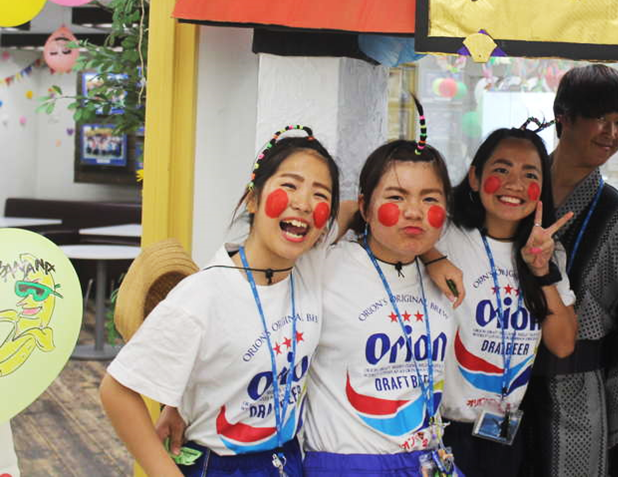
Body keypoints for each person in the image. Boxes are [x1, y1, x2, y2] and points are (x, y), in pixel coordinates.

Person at [100, 125, 341, 476]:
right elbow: (116, 390)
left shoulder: (309, 270)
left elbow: (358, 210)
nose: (304, 204)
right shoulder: (202, 295)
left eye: (320, 194)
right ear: (253, 199)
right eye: (289, 185)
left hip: (287, 460)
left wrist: (433, 258)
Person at [301, 139, 463, 476]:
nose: (414, 211)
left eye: (430, 198)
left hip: (428, 460)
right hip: (347, 465)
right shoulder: (324, 267)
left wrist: (433, 256)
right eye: (396, 197)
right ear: (364, 206)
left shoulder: (444, 277)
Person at [523, 64, 618, 477]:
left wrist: (614, 411)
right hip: (500, 382)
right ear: (563, 115)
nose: (612, 133)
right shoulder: (516, 193)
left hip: (579, 391)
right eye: (601, 118)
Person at [434, 125, 577, 475]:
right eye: (501, 170)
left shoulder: (548, 251)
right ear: (474, 177)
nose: (515, 184)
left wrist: (542, 271)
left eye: (529, 174)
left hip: (504, 431)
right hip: (443, 430)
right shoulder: (443, 235)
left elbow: (563, 344)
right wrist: (430, 257)